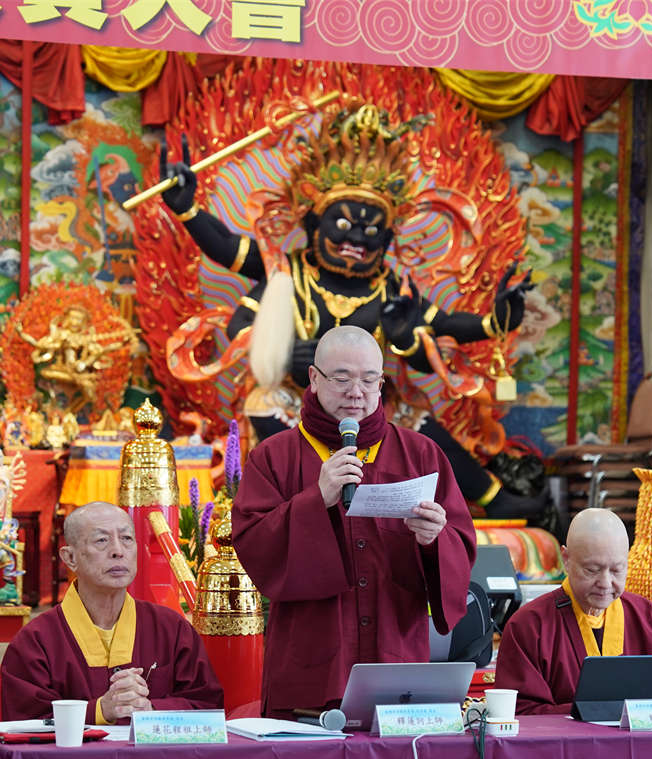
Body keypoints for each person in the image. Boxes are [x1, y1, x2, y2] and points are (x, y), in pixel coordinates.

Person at [161, 102, 544, 519]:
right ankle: (305, 505)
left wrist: (497, 320)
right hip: (299, 400)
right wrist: (187, 209)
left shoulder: (391, 288)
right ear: (313, 226)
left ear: (387, 240)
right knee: (265, 405)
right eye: (343, 225)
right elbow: (228, 256)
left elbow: (445, 325)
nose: (357, 238)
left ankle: (492, 498)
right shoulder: (287, 274)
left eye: (372, 230)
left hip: (371, 406)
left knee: (424, 430)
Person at [230, 326, 476, 716]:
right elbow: (254, 546)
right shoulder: (274, 457)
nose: (356, 392)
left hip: (395, 657)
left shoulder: (421, 454)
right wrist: (317, 499)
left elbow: (460, 544)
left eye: (369, 379)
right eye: (342, 378)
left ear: (381, 384)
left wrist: (434, 540)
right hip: (310, 667)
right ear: (314, 379)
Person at [0, 501, 223, 723]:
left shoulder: (171, 628)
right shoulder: (35, 641)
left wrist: (152, 709)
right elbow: (24, 724)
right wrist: (99, 711)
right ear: (70, 558)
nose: (118, 551)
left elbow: (207, 705)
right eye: (102, 540)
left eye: (126, 539)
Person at [494, 508, 652, 715]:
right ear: (566, 559)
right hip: (566, 737)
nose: (605, 583)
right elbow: (519, 711)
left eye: (617, 570)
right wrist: (601, 710)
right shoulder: (529, 625)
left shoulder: (648, 617)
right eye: (592, 570)